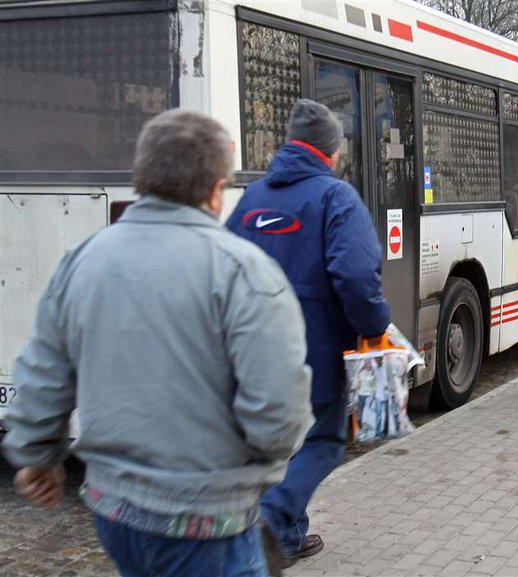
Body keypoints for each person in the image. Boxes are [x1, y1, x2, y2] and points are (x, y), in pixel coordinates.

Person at [1, 109, 314, 576]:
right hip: (208, 523)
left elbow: (45, 371)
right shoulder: (245, 271)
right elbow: (279, 413)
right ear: (215, 190)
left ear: (142, 177)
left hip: (115, 513)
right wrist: (255, 474)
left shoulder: (84, 259)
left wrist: (37, 455)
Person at [225, 99, 390, 570]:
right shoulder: (336, 198)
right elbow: (356, 276)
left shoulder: (252, 197)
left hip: (251, 348)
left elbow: (222, 268)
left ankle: (291, 538)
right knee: (322, 441)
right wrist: (374, 328)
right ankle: (272, 523)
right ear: (331, 151)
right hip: (314, 349)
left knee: (274, 443)